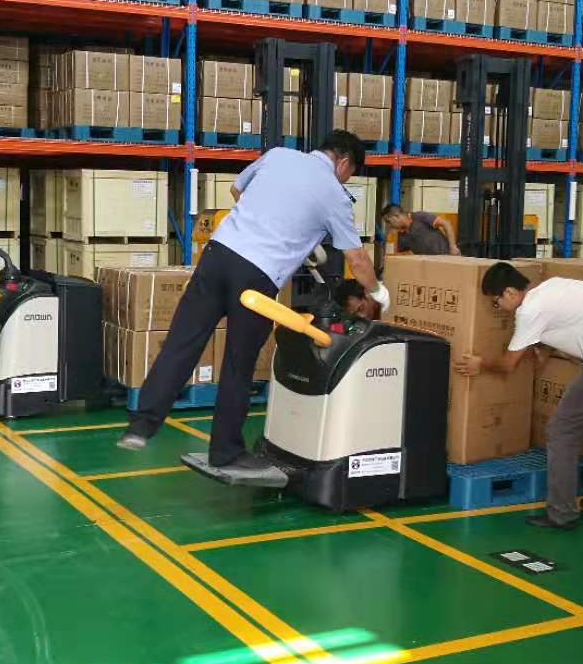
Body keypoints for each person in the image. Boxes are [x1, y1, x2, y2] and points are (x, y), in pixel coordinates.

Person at [118, 132, 387, 478]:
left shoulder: (278, 155)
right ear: (344, 163)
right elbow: (358, 260)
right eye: (350, 174)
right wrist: (378, 292)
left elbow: (237, 190)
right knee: (238, 363)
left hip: (216, 256)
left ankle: (141, 425)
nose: (346, 180)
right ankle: (225, 452)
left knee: (181, 343)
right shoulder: (335, 195)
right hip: (256, 277)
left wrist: (275, 227)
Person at [455, 262, 583, 529]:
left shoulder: (529, 310)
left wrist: (480, 364)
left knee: (561, 431)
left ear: (510, 292)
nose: (497, 307)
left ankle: (562, 512)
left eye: (496, 301)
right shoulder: (551, 287)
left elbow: (508, 364)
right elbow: (566, 322)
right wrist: (545, 350)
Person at [382, 204, 459, 255]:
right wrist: (392, 237)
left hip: (447, 257)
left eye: (388, 221)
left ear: (396, 217)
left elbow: (446, 224)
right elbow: (397, 254)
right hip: (429, 266)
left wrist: (453, 246)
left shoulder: (420, 217)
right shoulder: (401, 235)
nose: (389, 225)